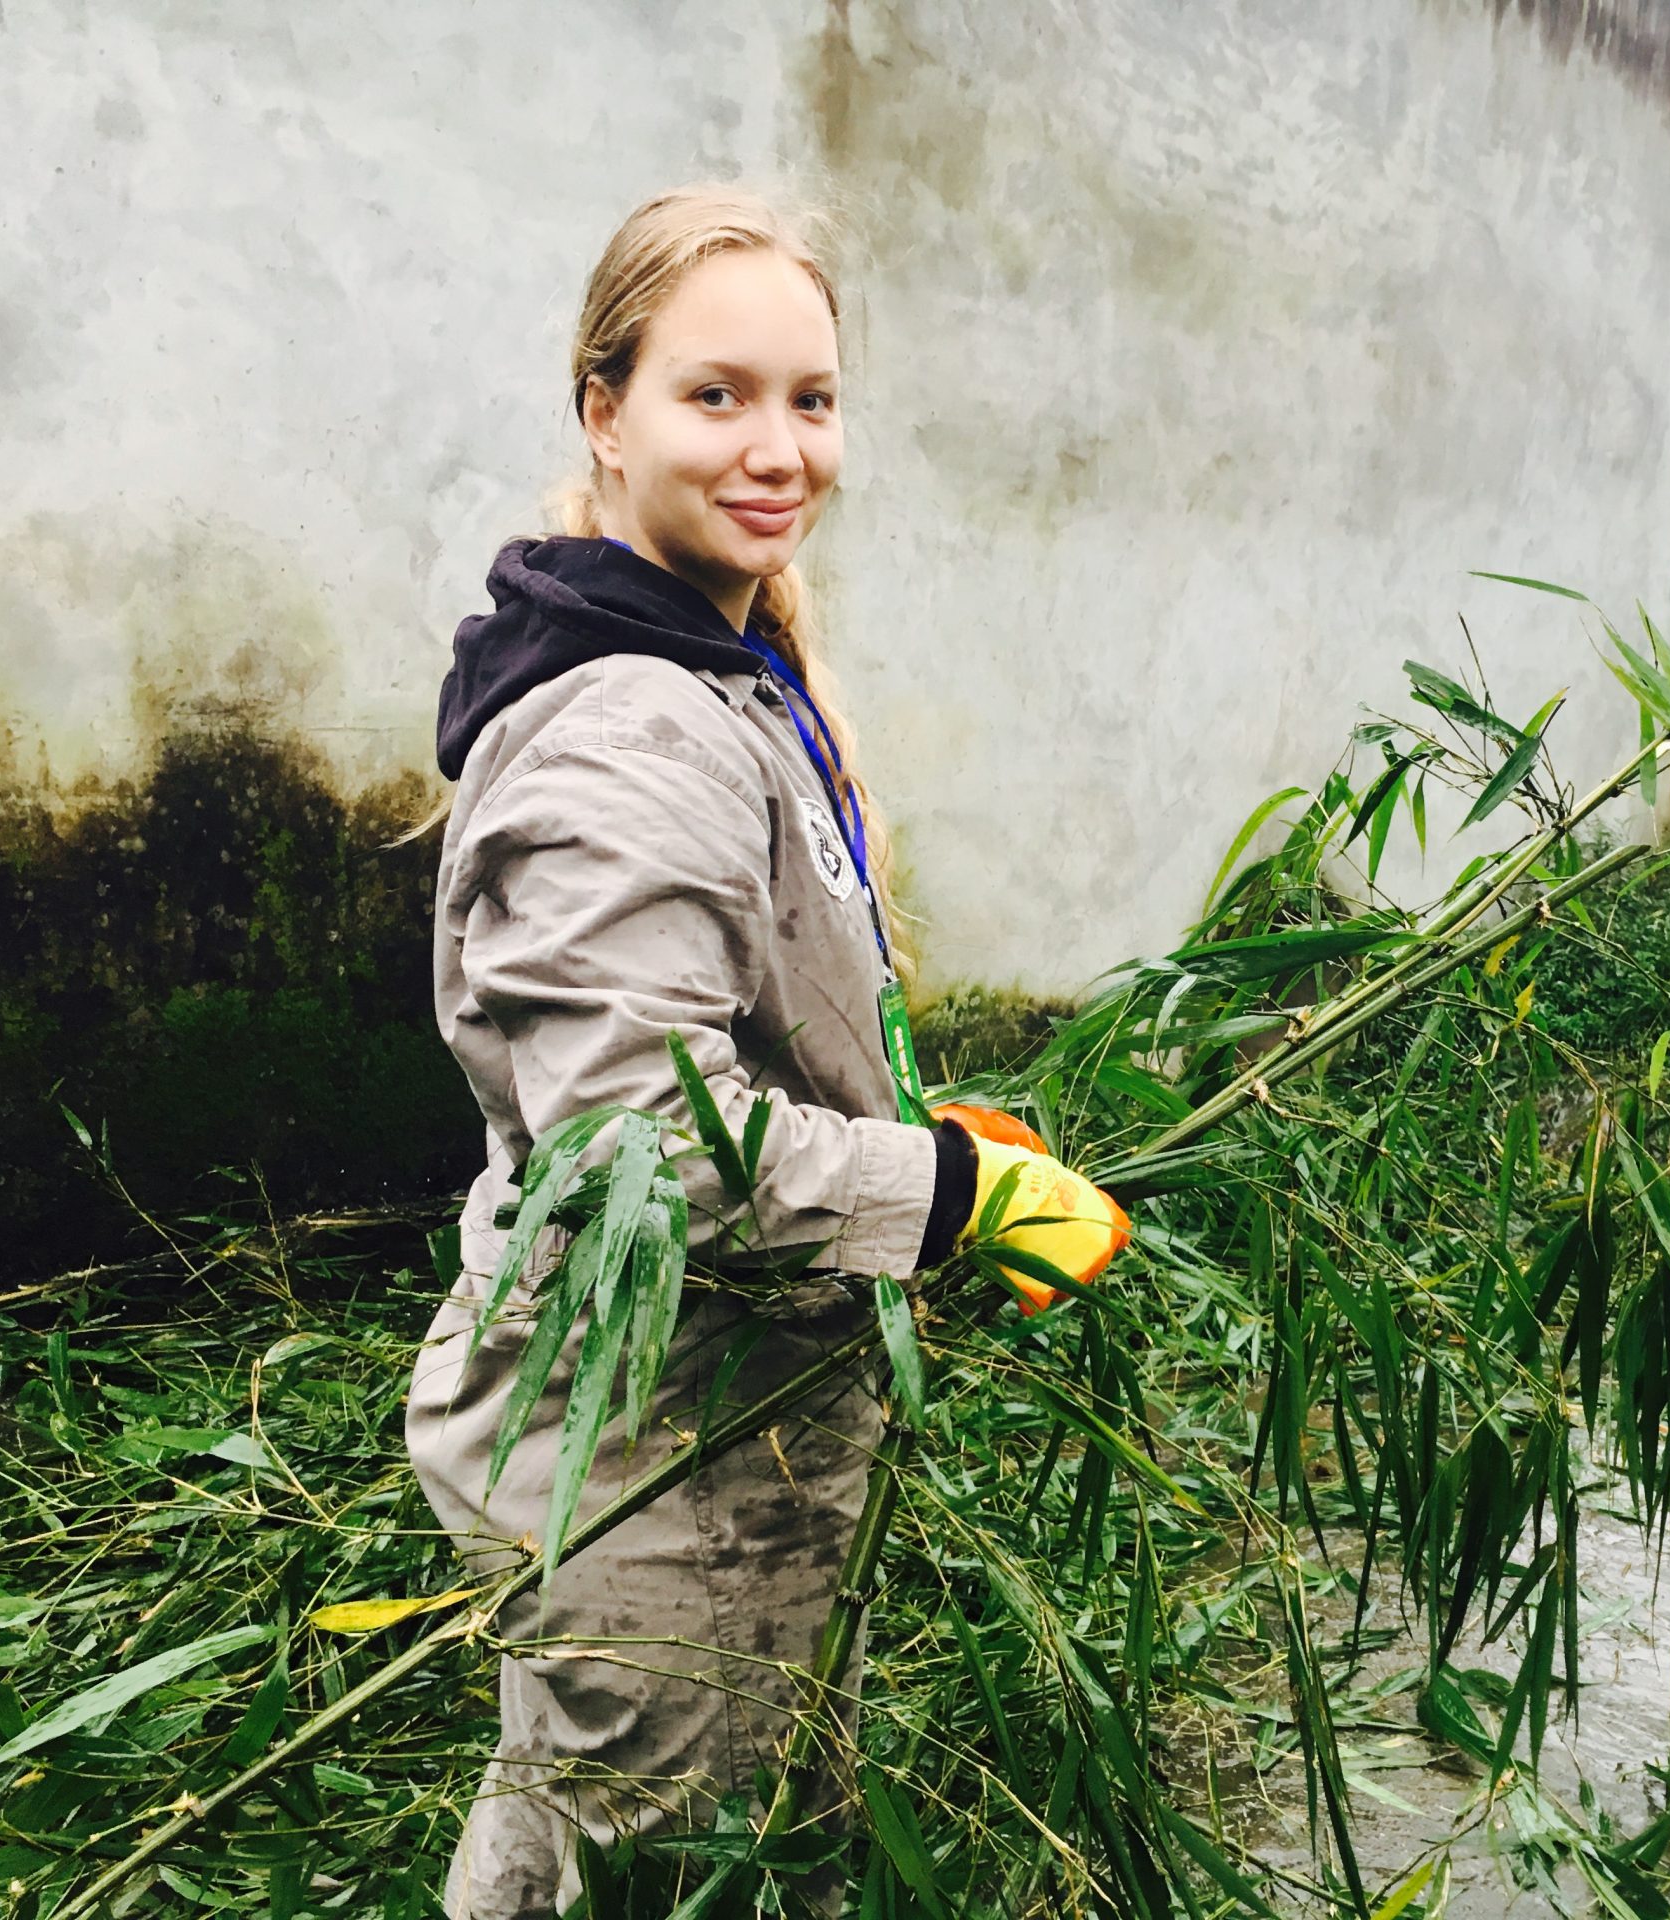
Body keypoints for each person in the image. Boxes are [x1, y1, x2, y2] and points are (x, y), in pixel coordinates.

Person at [404, 184, 1129, 1920]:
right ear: (605, 411)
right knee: (685, 1865)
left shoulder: (716, 667)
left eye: (812, 398)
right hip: (654, 1454)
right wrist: (949, 1198)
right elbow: (641, 1151)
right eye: (714, 394)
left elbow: (728, 1017)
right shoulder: (630, 735)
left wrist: (903, 1123)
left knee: (592, 1831)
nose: (779, 448)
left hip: (711, 1416)